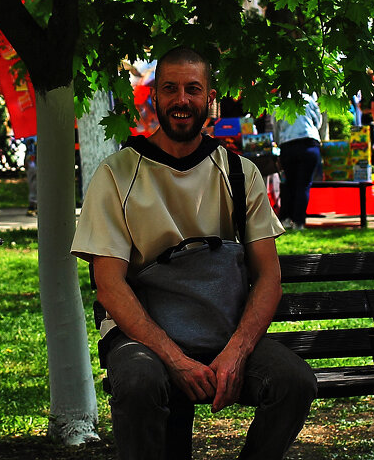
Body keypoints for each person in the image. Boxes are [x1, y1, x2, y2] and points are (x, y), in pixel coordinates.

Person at [72, 47, 316, 460]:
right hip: (143, 338)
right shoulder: (117, 174)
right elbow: (109, 286)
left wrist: (236, 351)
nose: (181, 100)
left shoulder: (240, 173)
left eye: (192, 89)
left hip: (222, 332)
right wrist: (174, 358)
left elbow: (269, 278)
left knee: (293, 382)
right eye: (169, 88)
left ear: (210, 99)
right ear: (154, 98)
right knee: (138, 382)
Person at [276, 91, 322, 231]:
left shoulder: (279, 102)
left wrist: (279, 144)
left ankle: (286, 219)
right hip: (309, 143)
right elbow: (317, 121)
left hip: (288, 145)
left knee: (289, 184)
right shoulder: (307, 99)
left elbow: (276, 127)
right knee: (303, 185)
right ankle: (298, 222)